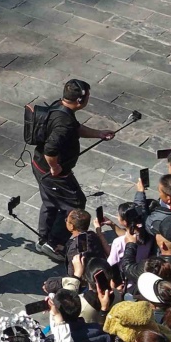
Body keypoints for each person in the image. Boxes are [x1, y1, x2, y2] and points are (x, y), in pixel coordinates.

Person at [30, 80, 115, 256]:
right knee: (75, 203)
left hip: (40, 166)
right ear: (80, 100)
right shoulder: (63, 123)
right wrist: (55, 167)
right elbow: (50, 149)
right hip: (54, 172)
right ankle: (54, 243)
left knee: (51, 202)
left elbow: (76, 128)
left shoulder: (59, 107)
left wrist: (98, 134)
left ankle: (43, 237)